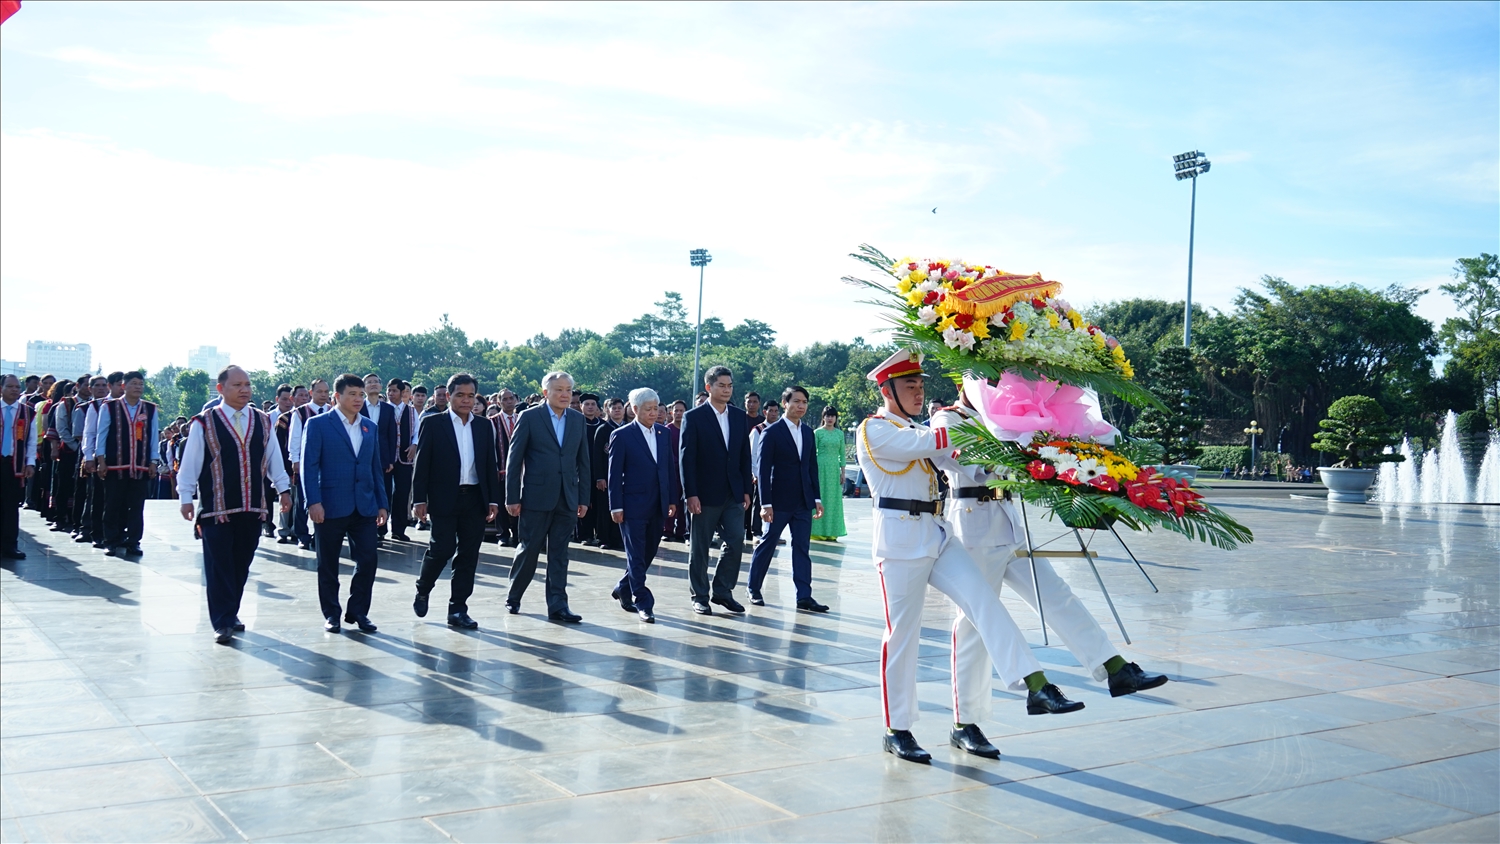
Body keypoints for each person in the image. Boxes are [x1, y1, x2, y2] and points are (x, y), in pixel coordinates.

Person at [856, 350, 1082, 764]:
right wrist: (993, 423)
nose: (919, 392)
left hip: (938, 533)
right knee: (903, 635)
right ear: (887, 391)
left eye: (921, 385)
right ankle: (897, 728)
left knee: (983, 602)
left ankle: (1035, 684)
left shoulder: (922, 427)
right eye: (910, 386)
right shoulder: (875, 429)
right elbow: (927, 444)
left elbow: (960, 459)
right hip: (900, 542)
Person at [933, 388, 1167, 759]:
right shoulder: (947, 419)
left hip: (1009, 525)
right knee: (974, 627)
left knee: (1057, 594)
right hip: (974, 529)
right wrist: (1024, 456)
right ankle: (965, 723)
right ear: (967, 384)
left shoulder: (1007, 419)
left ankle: (1115, 668)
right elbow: (971, 464)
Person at [177, 367, 293, 644]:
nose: (244, 390)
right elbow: (190, 462)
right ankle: (222, 621)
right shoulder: (204, 422)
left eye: (248, 385)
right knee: (219, 564)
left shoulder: (263, 421)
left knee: (241, 563)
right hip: (216, 509)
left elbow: (274, 457)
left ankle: (232, 612)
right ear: (221, 389)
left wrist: (283, 488)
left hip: (253, 507)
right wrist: (185, 496)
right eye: (237, 385)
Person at [301, 373, 388, 634]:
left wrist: (382, 504)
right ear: (337, 396)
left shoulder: (369, 427)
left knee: (368, 560)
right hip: (329, 506)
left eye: (361, 394)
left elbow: (375, 468)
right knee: (328, 564)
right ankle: (331, 614)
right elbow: (309, 466)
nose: (359, 399)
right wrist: (313, 502)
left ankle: (358, 611)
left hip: (364, 506)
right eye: (353, 394)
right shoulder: (318, 425)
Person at [412, 373, 499, 630]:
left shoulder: (484, 426)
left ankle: (458, 609)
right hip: (443, 497)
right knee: (442, 549)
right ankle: (423, 588)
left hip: (474, 497)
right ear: (448, 396)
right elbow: (422, 465)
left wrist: (493, 499)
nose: (466, 400)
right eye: (460, 395)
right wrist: (419, 499)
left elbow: (489, 465)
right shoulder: (433, 423)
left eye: (470, 396)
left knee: (469, 555)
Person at [505, 370, 590, 622]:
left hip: (567, 496)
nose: (565, 395)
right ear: (545, 393)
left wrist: (583, 498)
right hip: (536, 496)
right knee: (529, 549)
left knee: (560, 553)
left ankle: (558, 605)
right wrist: (512, 496)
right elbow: (514, 459)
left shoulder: (577, 419)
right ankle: (514, 596)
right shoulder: (530, 417)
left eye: (568, 390)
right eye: (559, 390)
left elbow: (583, 462)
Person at [679, 365, 753, 615]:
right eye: (721, 385)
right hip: (704, 494)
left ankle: (722, 591)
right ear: (709, 387)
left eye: (730, 385)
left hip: (733, 493)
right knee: (699, 547)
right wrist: (690, 493)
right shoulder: (694, 417)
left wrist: (745, 490)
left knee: (735, 541)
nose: (726, 390)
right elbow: (686, 459)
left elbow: (744, 455)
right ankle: (699, 595)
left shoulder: (738, 416)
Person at [747, 386, 828, 612]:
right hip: (778, 502)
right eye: (797, 401)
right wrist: (765, 504)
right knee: (768, 543)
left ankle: (804, 596)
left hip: (803, 502)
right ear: (785, 403)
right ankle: (753, 588)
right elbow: (763, 471)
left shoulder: (808, 432)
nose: (801, 406)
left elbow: (811, 467)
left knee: (802, 548)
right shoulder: (771, 432)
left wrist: (817, 498)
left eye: (804, 402)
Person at [608, 388, 679, 623]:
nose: (653, 413)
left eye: (656, 409)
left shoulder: (662, 433)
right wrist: (615, 506)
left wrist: (671, 499)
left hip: (658, 503)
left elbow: (668, 468)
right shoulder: (622, 435)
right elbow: (614, 474)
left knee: (648, 553)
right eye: (647, 409)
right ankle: (643, 601)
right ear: (635, 409)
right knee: (636, 554)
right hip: (632, 505)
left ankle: (623, 587)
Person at [94, 371, 159, 557]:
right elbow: (102, 434)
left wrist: (153, 461)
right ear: (124, 386)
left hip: (140, 466)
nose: (138, 387)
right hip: (115, 464)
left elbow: (153, 437)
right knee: (112, 504)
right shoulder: (110, 407)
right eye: (134, 383)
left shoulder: (150, 409)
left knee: (137, 506)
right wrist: (101, 460)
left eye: (141, 384)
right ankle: (111, 541)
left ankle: (133, 541)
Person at [80, 372, 124, 548]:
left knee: (120, 500)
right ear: (110, 386)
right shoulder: (97, 406)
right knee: (98, 497)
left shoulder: (130, 407)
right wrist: (89, 457)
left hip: (121, 460)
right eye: (119, 385)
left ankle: (119, 534)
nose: (123, 388)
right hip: (101, 460)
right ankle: (96, 532)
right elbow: (89, 433)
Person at [287, 378, 332, 550]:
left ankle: (320, 535)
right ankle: (302, 535)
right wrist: (295, 461)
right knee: (302, 501)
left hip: (327, 464)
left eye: (326, 392)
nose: (323, 395)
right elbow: (295, 439)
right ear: (311, 393)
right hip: (307, 464)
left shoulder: (332, 411)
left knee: (325, 500)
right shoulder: (300, 413)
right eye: (319, 391)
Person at [1, 375, 38, 560]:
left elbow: (32, 441)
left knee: (11, 506)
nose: (14, 390)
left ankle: (10, 545)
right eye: (10, 386)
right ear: (1, 388)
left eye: (17, 387)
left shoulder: (27, 412)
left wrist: (30, 462)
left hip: (15, 464)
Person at [380, 379, 417, 542]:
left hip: (404, 458)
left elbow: (417, 430)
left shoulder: (411, 411)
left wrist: (415, 444)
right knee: (383, 493)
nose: (390, 393)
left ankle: (398, 529)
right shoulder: (382, 409)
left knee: (402, 494)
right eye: (389, 390)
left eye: (394, 390)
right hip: (386, 457)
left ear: (403, 393)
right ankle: (380, 528)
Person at [591, 397, 625, 550]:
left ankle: (619, 539)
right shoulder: (603, 430)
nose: (617, 410)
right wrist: (599, 477)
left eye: (619, 407)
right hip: (605, 476)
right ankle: (603, 538)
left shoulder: (628, 428)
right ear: (608, 411)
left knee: (622, 508)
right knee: (605, 509)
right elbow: (597, 455)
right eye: (614, 408)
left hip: (624, 477)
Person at [811, 406, 847, 542]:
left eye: (832, 416)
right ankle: (817, 531)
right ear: (823, 417)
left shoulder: (839, 434)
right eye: (827, 415)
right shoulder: (817, 433)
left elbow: (842, 454)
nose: (830, 418)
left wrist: (843, 472)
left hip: (834, 468)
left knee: (833, 500)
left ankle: (832, 531)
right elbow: (812, 453)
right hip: (820, 467)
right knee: (820, 498)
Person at [491, 389, 521, 546]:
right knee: (502, 502)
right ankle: (503, 534)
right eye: (505, 399)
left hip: (520, 471)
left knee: (519, 502)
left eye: (511, 398)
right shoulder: (492, 421)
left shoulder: (522, 418)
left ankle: (517, 535)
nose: (509, 401)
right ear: (499, 402)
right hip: (501, 469)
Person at [577, 393, 602, 546]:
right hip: (580, 469)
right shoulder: (576, 423)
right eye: (587, 404)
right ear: (581, 407)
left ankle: (599, 534)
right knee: (583, 501)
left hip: (599, 471)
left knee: (599, 504)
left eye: (593, 404)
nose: (590, 407)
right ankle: (584, 535)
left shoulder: (603, 425)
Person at [662, 400, 688, 542]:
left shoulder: (689, 428)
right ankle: (668, 529)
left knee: (685, 501)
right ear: (671, 413)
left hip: (686, 471)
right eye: (676, 411)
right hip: (672, 471)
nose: (678, 413)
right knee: (671, 500)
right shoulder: (667, 430)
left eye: (681, 411)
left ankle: (682, 531)